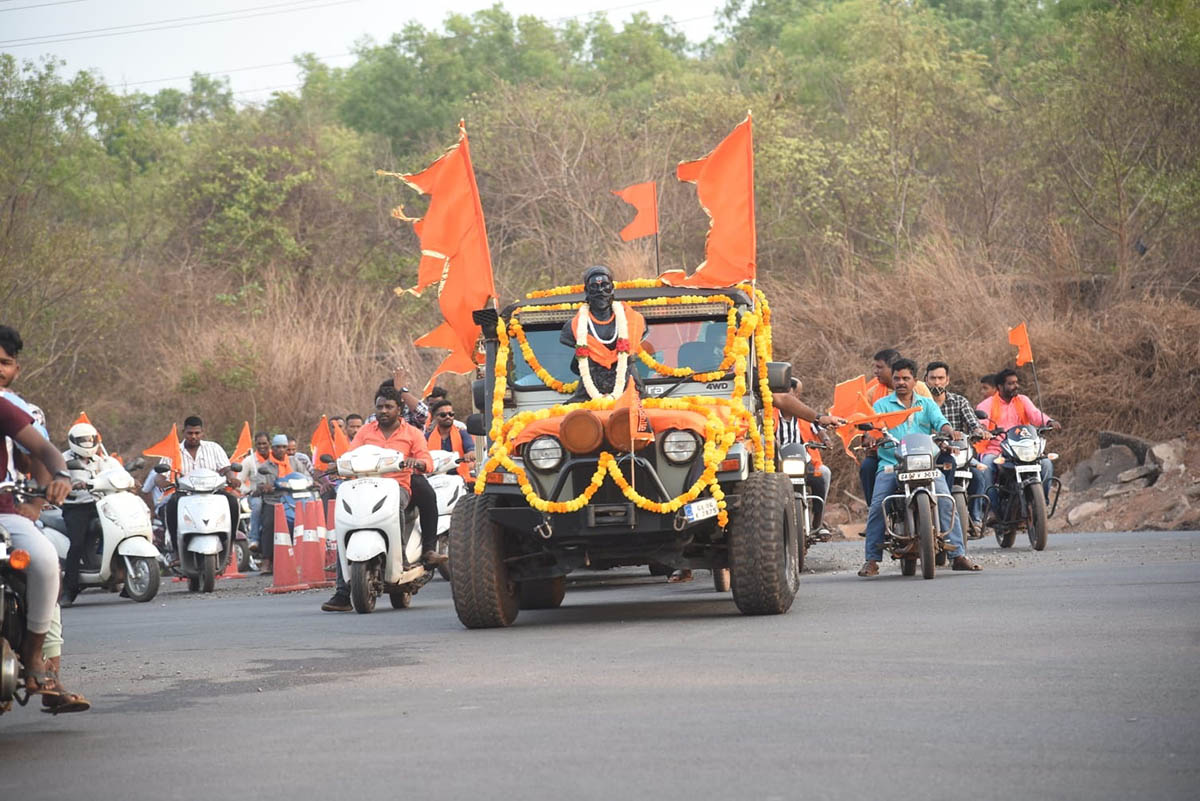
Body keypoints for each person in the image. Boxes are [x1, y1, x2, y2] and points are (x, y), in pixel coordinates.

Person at [0, 395, 90, 712]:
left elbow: (41, 453)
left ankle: (42, 664)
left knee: (46, 561)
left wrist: (37, 504)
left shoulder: (10, 407)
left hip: (9, 512)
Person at [322, 386, 441, 612]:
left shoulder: (412, 433)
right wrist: (337, 465)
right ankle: (342, 591)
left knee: (395, 508)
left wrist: (419, 463)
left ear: (400, 409)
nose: (383, 411)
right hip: (363, 486)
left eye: (389, 407)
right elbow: (350, 454)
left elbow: (426, 459)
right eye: (379, 407)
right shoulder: (365, 432)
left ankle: (403, 560)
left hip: (397, 487)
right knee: (345, 524)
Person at [858, 359, 981, 577]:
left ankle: (959, 556)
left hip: (926, 462)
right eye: (897, 378)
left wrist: (948, 431)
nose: (901, 382)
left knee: (945, 499)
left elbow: (941, 422)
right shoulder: (881, 406)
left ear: (915, 380)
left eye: (906, 378)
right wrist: (869, 436)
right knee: (878, 505)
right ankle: (872, 560)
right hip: (892, 464)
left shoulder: (927, 404)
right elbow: (875, 427)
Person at [59, 422, 124, 606]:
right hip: (76, 507)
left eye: (90, 439)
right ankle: (69, 590)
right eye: (83, 440)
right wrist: (71, 486)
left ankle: (117, 573)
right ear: (73, 441)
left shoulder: (101, 460)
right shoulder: (63, 460)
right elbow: (56, 480)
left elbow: (113, 476)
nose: (87, 443)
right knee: (77, 543)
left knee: (118, 531)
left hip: (100, 504)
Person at [976, 368, 1060, 506]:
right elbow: (981, 423)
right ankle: (992, 508)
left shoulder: (1023, 400)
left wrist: (1049, 422)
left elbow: (1035, 414)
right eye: (1011, 383)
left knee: (1046, 464)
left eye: (1016, 382)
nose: (1016, 386)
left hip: (1024, 448)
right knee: (986, 467)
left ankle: (1041, 503)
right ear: (1000, 387)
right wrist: (983, 430)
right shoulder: (987, 404)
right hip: (997, 449)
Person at [157, 416, 238, 559]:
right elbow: (160, 476)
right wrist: (162, 481)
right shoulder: (174, 451)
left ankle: (229, 545)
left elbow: (226, 468)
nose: (193, 436)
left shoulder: (214, 448)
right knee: (170, 506)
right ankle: (176, 551)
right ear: (184, 432)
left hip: (213, 493)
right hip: (185, 494)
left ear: (202, 433)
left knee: (232, 502)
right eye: (190, 433)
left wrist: (231, 477)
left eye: (197, 433)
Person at [859, 349, 932, 506]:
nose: (875, 371)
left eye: (879, 367)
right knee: (867, 468)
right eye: (897, 379)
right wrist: (869, 436)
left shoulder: (920, 390)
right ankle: (875, 513)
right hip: (887, 454)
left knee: (945, 474)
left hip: (918, 452)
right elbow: (869, 423)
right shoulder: (873, 395)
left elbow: (933, 416)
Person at [924, 361, 991, 527]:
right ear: (926, 379)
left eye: (940, 378)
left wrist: (979, 431)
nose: (937, 382)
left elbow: (973, 422)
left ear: (947, 380)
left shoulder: (959, 401)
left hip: (959, 453)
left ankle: (976, 518)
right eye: (933, 378)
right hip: (928, 455)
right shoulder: (921, 404)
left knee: (979, 476)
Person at [775, 378, 841, 539]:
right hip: (776, 463)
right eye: (793, 392)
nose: (796, 396)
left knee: (822, 475)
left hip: (803, 460)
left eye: (798, 394)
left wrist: (825, 440)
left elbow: (819, 429)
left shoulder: (805, 415)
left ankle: (818, 521)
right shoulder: (768, 413)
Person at [0, 325, 50, 481]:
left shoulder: (13, 405)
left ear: (16, 370)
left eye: (5, 363)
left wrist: (34, 505)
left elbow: (42, 453)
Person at [251, 434, 306, 574]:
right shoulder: (265, 466)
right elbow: (259, 483)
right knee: (269, 523)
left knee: (305, 521)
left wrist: (313, 482)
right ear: (272, 448)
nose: (280, 450)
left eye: (283, 447)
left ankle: (303, 558)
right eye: (277, 447)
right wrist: (265, 487)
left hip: (294, 499)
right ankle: (266, 560)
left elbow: (306, 475)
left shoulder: (294, 462)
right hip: (274, 501)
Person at [237, 432, 271, 556]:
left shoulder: (275, 458)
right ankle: (254, 538)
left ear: (269, 444)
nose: (262, 446)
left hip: (275, 493)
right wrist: (249, 491)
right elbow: (238, 481)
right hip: (256, 495)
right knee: (257, 505)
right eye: (259, 444)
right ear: (255, 444)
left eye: (264, 443)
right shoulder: (248, 461)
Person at [425, 398, 474, 482]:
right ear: (434, 417)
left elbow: (470, 447)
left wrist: (470, 454)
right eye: (443, 415)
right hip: (433, 478)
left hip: (459, 478)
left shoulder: (462, 433)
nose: (448, 417)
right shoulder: (426, 437)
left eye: (451, 414)